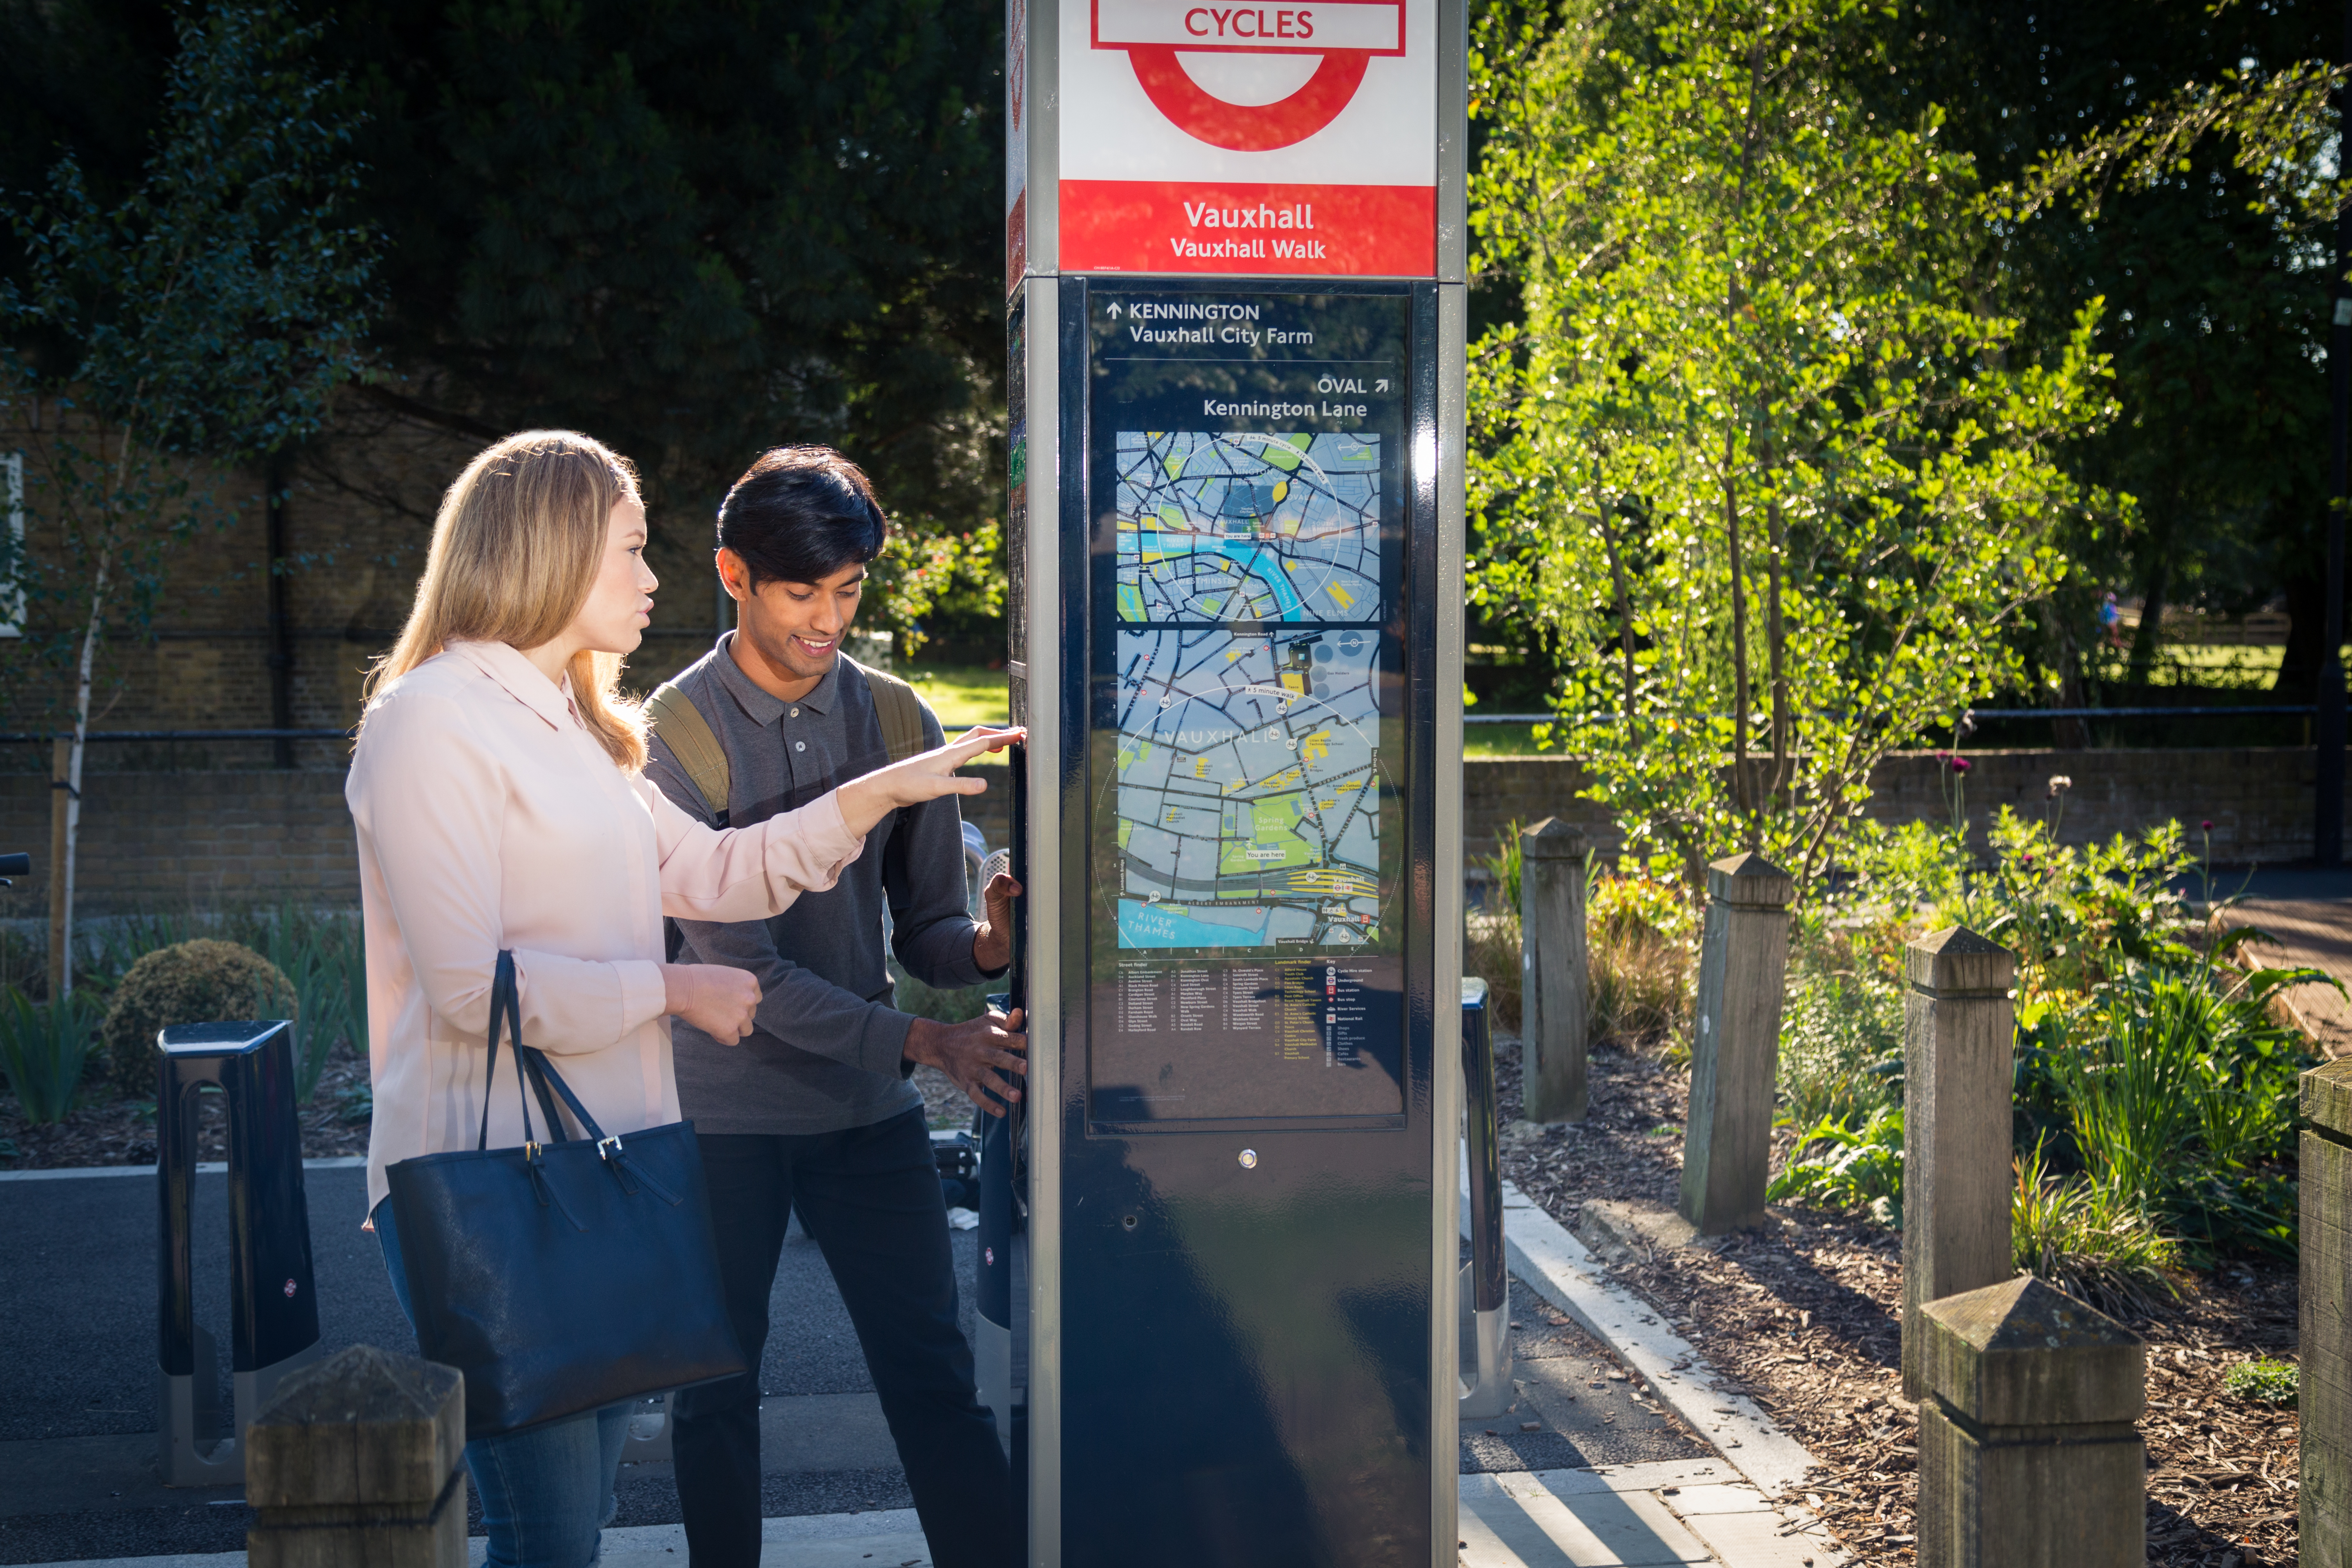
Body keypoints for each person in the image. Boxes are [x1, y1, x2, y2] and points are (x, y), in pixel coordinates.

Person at [345, 430, 1019, 1568]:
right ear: (552, 554)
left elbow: (714, 872)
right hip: (499, 1176)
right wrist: (675, 987)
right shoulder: (429, 721)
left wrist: (876, 795)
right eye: (632, 550)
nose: (654, 579)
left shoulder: (579, 730)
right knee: (549, 1535)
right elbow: (471, 994)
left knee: (576, 1526)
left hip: (613, 1165)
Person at [642, 447, 1025, 1568]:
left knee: (935, 1386)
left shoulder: (900, 717)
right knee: (716, 1395)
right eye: (803, 591)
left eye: (849, 590)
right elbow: (739, 969)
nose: (828, 618)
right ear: (735, 576)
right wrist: (923, 1039)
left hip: (867, 1115)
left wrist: (987, 946)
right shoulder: (676, 734)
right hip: (719, 1122)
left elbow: (924, 936)